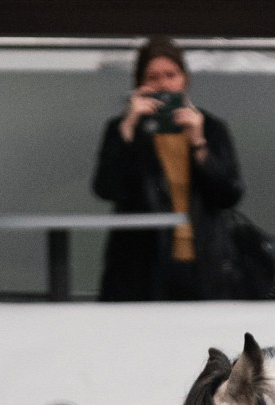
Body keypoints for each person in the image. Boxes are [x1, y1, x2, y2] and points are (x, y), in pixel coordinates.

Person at [92, 35, 244, 301]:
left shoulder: (209, 127)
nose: (163, 85)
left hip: (202, 262)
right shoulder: (123, 130)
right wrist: (128, 130)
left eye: (171, 75)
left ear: (184, 79)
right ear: (139, 84)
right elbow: (106, 188)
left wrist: (198, 143)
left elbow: (230, 193)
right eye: (153, 77)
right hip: (139, 267)